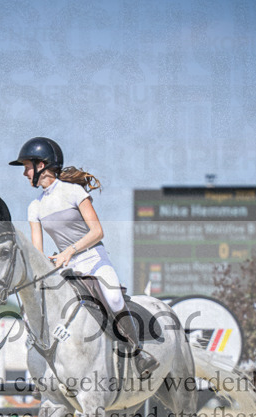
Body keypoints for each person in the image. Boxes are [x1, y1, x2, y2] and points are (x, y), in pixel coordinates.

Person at [9, 137, 158, 378]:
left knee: (114, 298)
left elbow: (97, 231)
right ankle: (44, 367)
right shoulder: (34, 207)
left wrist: (69, 250)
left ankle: (137, 353)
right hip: (65, 267)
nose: (25, 173)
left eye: (27, 166)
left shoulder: (73, 192)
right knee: (38, 306)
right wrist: (43, 262)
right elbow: (38, 250)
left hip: (92, 258)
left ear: (42, 165)